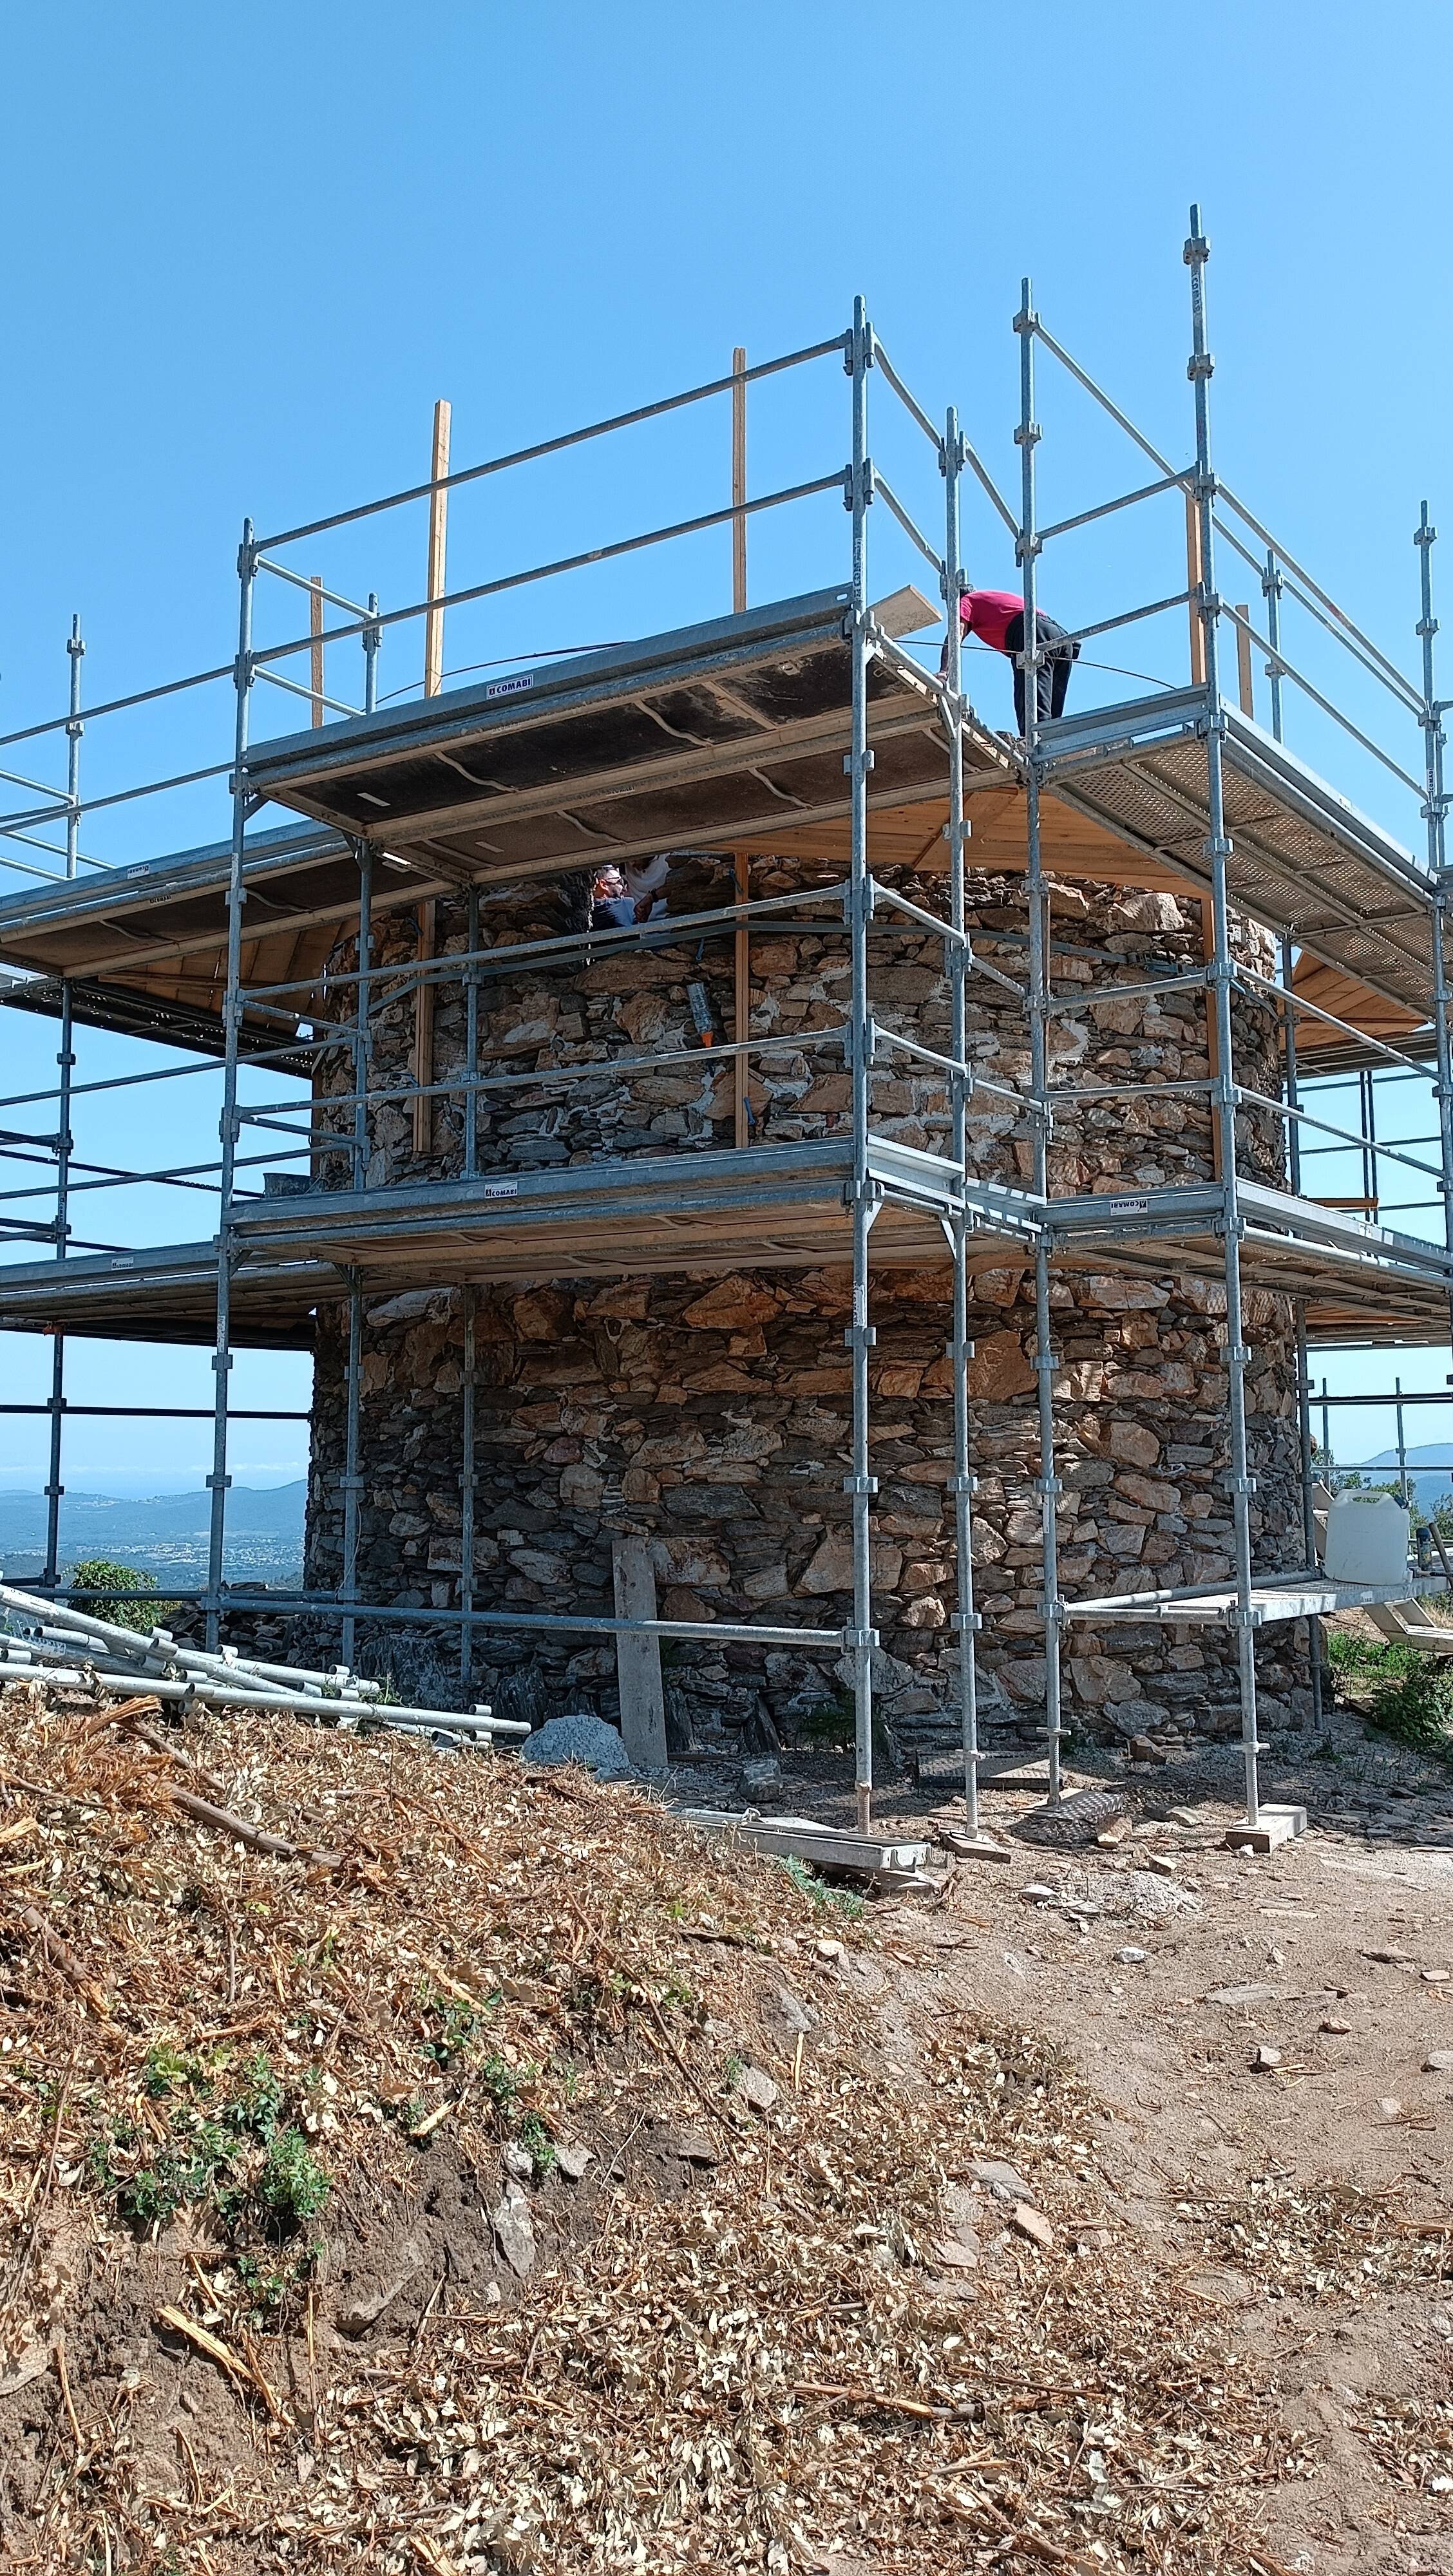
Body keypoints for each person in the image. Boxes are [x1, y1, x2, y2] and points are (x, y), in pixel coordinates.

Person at [952, 587, 1079, 735]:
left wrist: (944, 671)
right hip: (1059, 636)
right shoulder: (987, 598)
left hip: (1032, 632)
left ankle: (1033, 741)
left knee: (1030, 694)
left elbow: (956, 634)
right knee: (1052, 707)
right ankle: (1050, 742)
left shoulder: (966, 601)